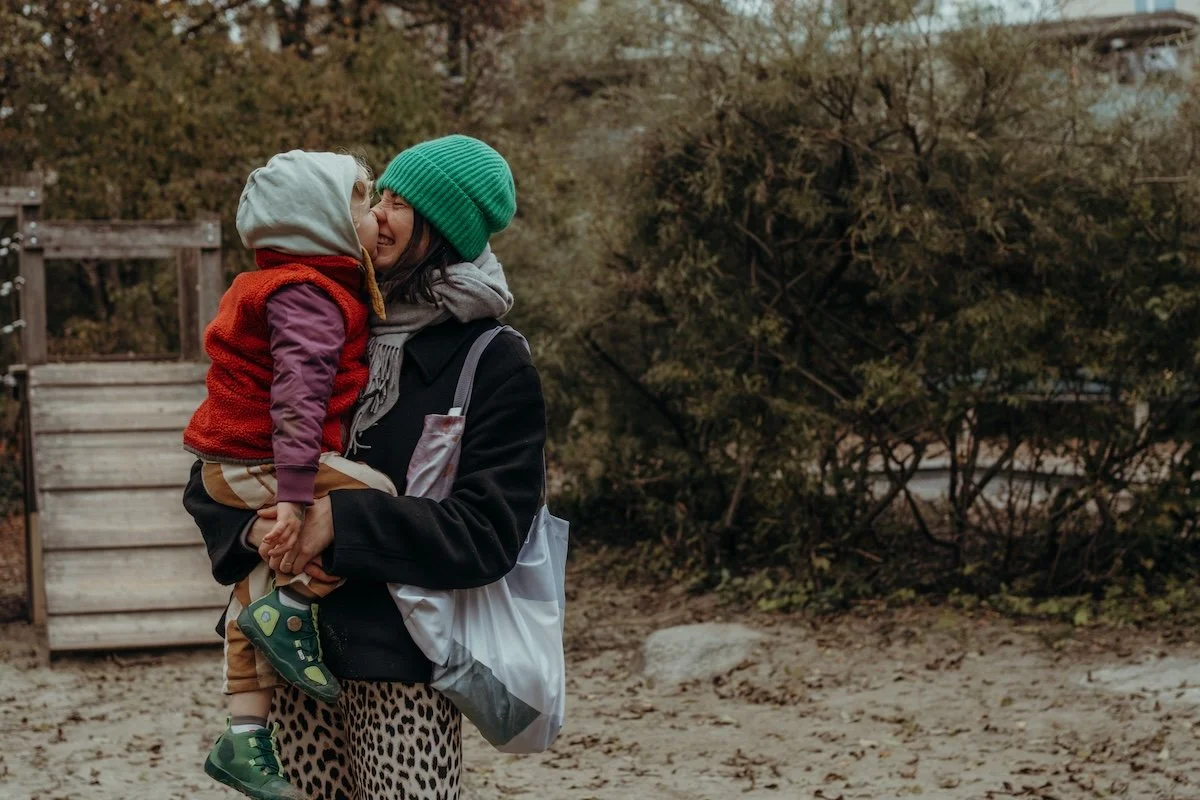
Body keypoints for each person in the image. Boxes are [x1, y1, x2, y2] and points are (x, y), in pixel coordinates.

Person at [184, 134, 546, 800]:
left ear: (439, 229)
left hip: (401, 664)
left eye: (399, 204)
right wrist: (266, 534)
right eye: (378, 196)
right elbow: (217, 467)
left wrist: (337, 524)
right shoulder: (319, 313)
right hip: (292, 664)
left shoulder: (492, 359)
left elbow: (492, 531)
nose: (377, 214)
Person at [183, 150, 397, 800]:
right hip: (258, 460)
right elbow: (299, 401)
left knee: (257, 581)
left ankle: (243, 737)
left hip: (231, 460)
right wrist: (299, 498)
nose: (375, 218)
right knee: (380, 499)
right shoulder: (310, 295)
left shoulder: (285, 285)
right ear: (323, 224)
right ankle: (297, 603)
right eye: (362, 205)